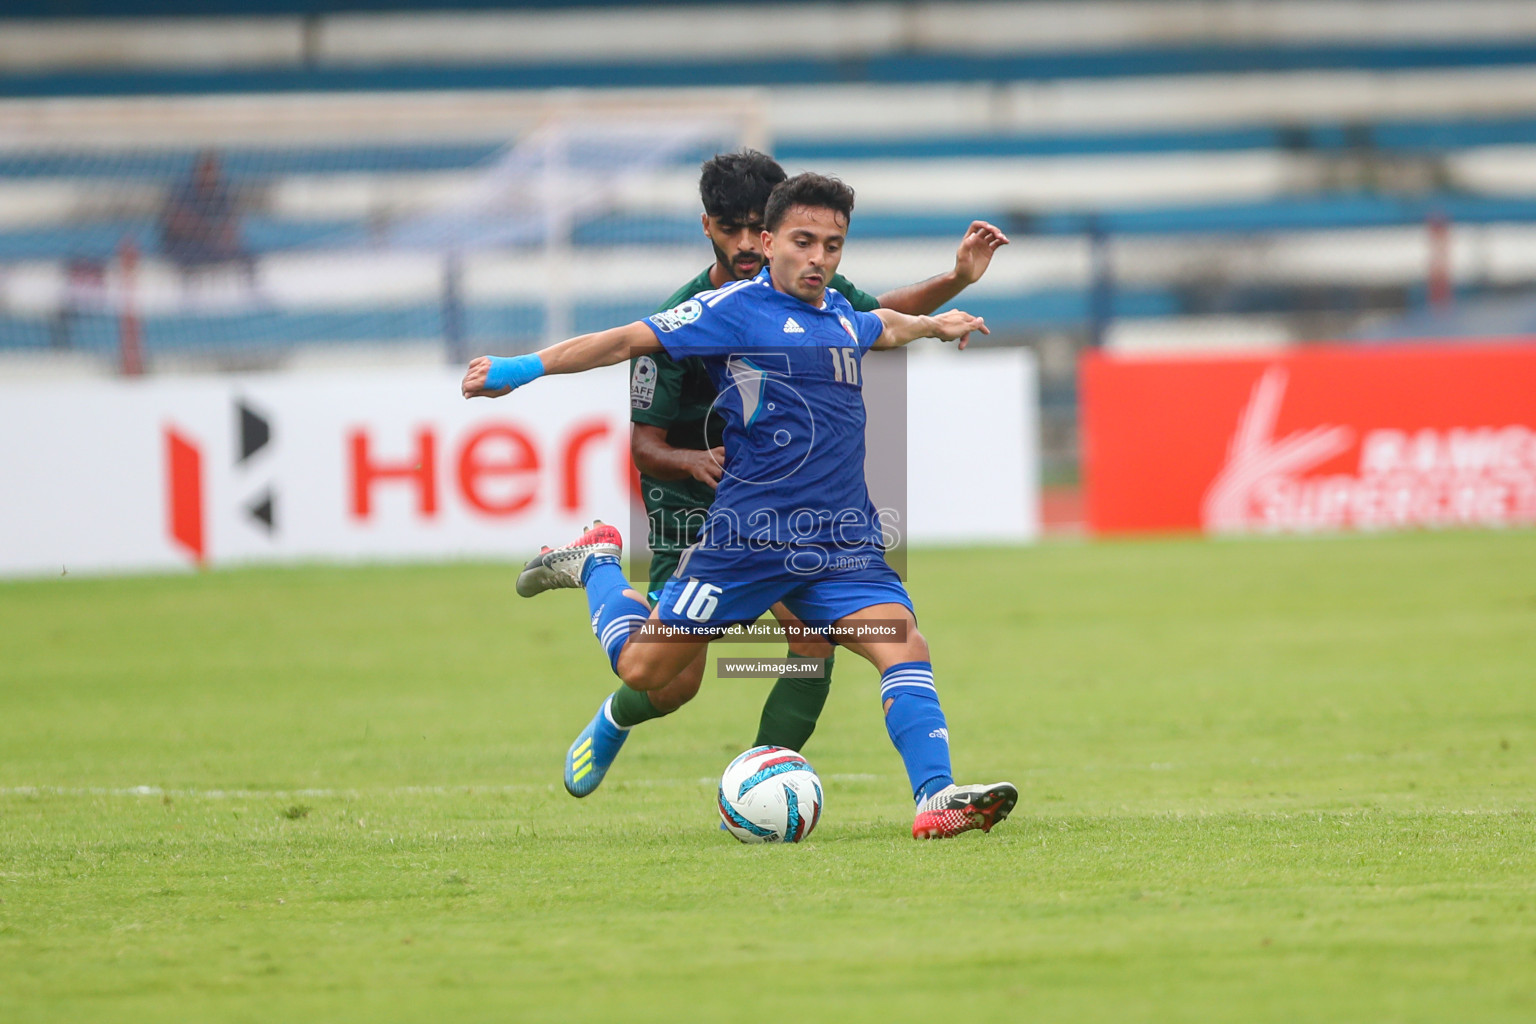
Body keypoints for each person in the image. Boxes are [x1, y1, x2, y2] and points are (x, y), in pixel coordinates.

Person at [463, 172, 1017, 840]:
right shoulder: (731, 310)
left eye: (833, 245)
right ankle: (599, 564)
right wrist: (522, 369)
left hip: (840, 544)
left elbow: (884, 324)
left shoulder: (840, 311)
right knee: (647, 671)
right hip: (745, 544)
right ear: (769, 239)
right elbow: (622, 341)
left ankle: (936, 797)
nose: (818, 258)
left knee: (905, 645)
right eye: (804, 241)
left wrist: (934, 320)